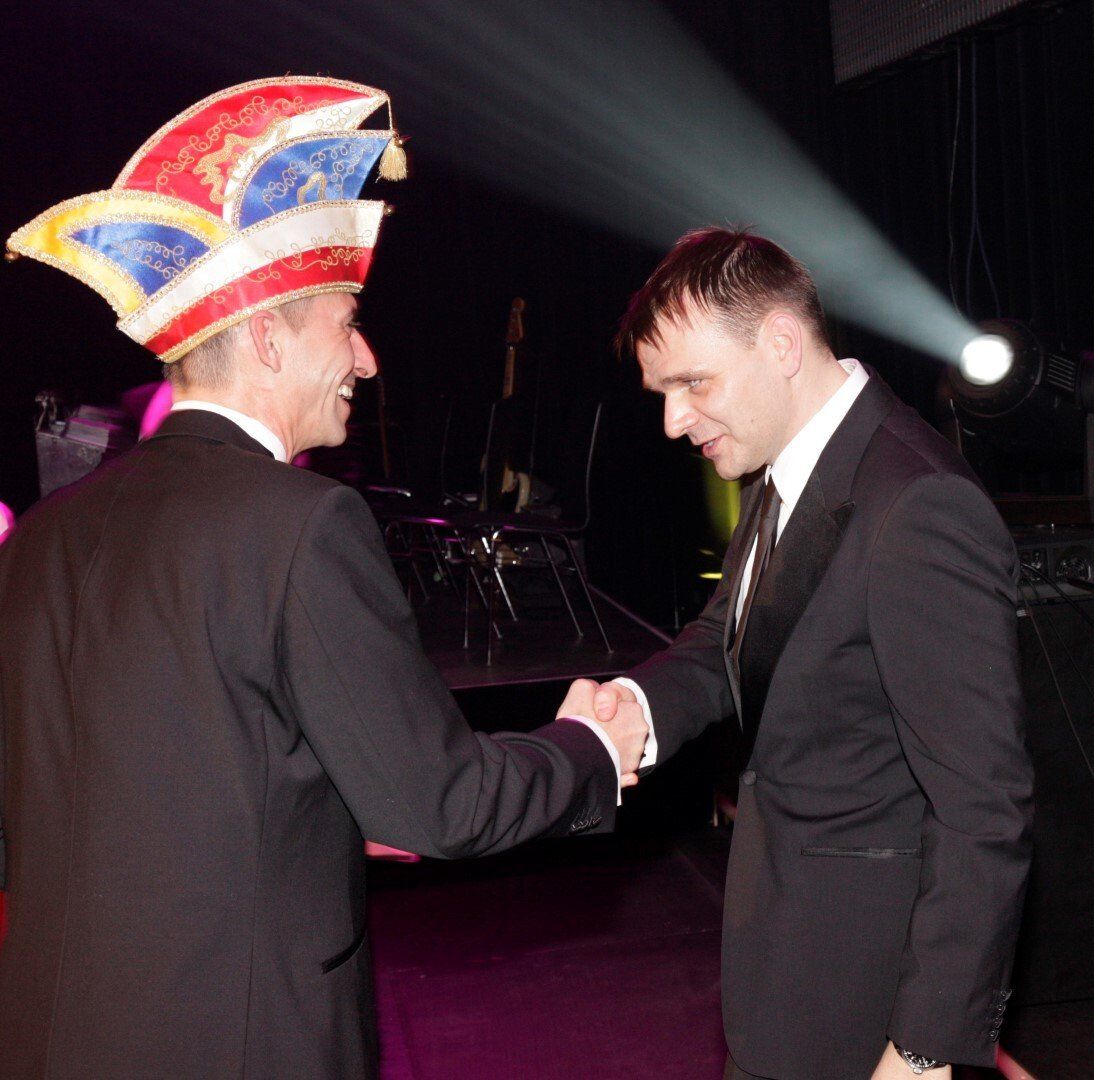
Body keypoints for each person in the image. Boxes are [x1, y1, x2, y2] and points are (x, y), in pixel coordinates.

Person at [0, 78, 646, 1078]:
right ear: (268, 337)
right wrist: (591, 749)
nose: (367, 358)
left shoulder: (42, 535)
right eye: (347, 321)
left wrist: (321, 811)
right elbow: (443, 804)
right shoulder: (303, 524)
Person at [579, 227, 1034, 1080]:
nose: (673, 421)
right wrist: (634, 709)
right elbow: (729, 637)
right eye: (663, 392)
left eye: (693, 383)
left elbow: (985, 806)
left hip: (869, 1002)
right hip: (789, 968)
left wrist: (925, 1046)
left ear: (782, 344)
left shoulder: (918, 505)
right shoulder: (785, 465)